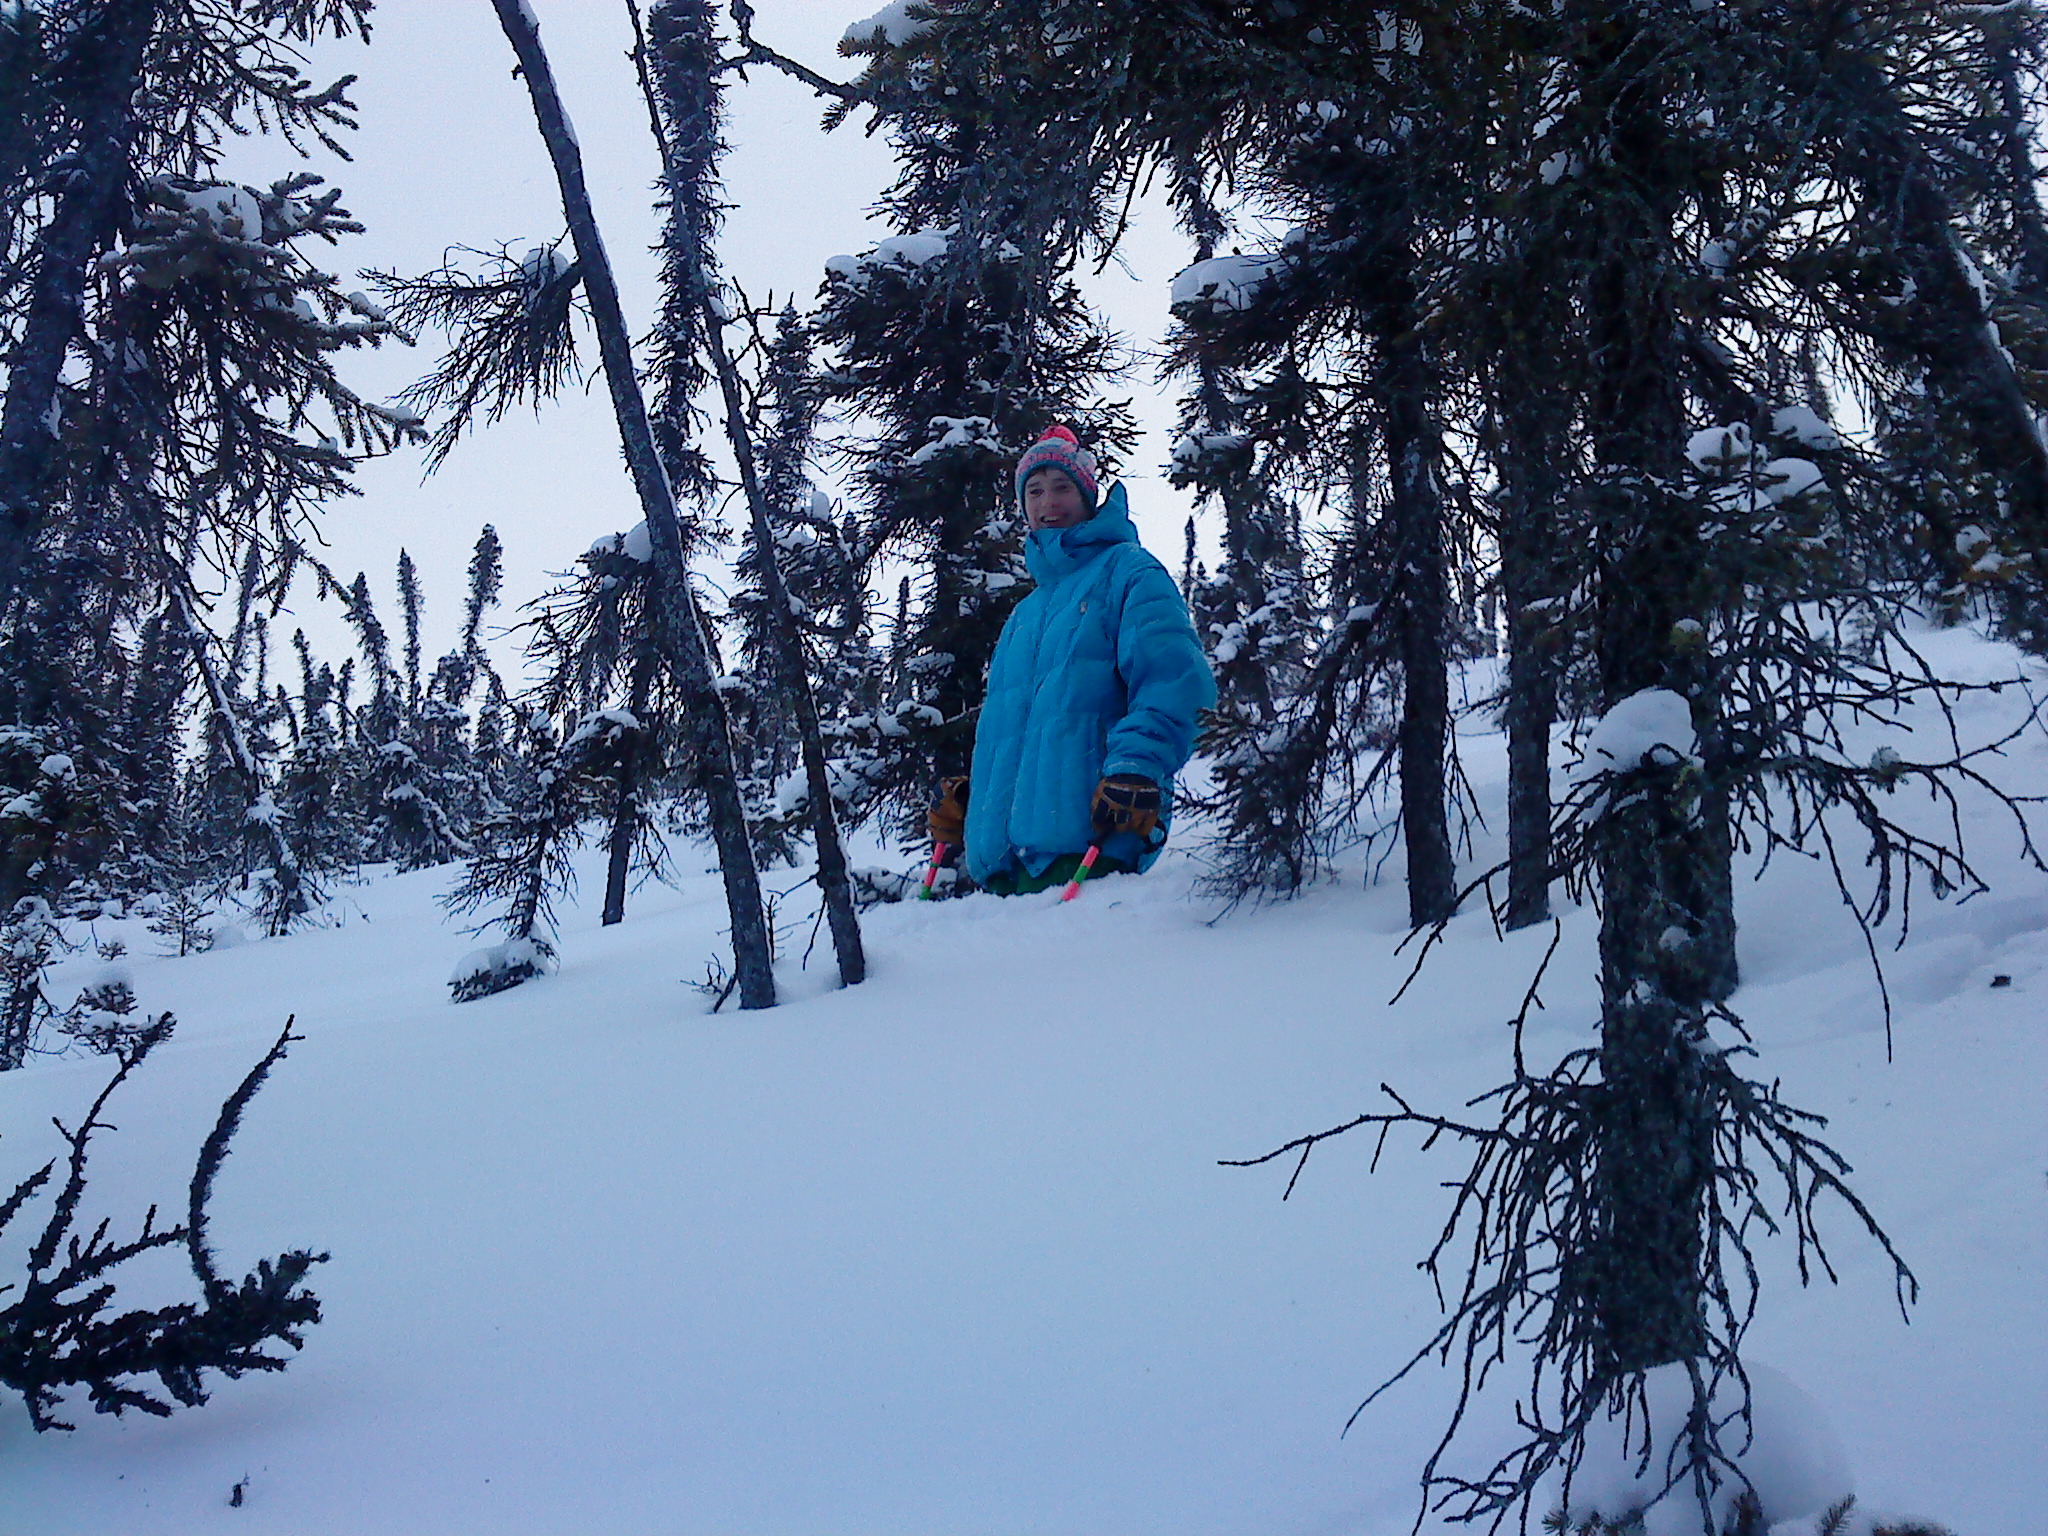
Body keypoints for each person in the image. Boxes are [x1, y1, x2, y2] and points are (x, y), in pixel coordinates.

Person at [926, 425, 1216, 895]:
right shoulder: (1025, 614)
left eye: (1062, 487)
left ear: (1087, 496)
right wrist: (976, 799)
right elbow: (1019, 730)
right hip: (1004, 872)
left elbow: (1172, 681)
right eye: (1035, 491)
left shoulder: (1129, 571)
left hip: (1093, 848)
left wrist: (1137, 766)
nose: (1048, 502)